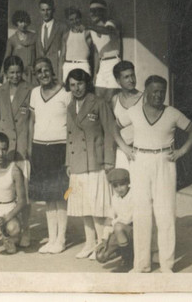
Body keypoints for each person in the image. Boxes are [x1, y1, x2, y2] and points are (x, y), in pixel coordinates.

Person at [117, 75, 192, 274]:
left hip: (164, 162)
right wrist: (124, 148)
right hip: (140, 161)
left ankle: (166, 265)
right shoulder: (134, 111)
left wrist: (181, 151)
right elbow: (113, 127)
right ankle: (141, 265)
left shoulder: (172, 113)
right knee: (141, 214)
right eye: (154, 91)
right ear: (146, 92)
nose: (158, 95)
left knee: (166, 214)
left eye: (162, 91)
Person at [65, 66, 116, 259]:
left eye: (80, 84)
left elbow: (110, 132)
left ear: (87, 83)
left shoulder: (99, 103)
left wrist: (109, 160)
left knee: (97, 205)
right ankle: (89, 243)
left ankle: (102, 245)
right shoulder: (70, 107)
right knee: (83, 205)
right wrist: (68, 162)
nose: (76, 88)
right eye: (72, 85)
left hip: (96, 161)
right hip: (77, 163)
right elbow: (69, 136)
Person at [28, 57, 70, 253]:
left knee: (60, 195)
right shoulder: (34, 93)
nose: (43, 74)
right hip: (39, 148)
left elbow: (71, 123)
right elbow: (32, 122)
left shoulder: (65, 93)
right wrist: (30, 146)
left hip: (59, 147)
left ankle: (61, 239)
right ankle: (52, 238)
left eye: (46, 70)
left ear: (52, 71)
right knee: (47, 196)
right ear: (35, 75)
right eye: (39, 71)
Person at [0, 55, 33, 248]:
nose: (15, 76)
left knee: (24, 190)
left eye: (18, 72)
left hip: (21, 144)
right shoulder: (0, 90)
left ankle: (26, 230)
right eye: (11, 73)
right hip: (4, 145)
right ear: (6, 73)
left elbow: (31, 121)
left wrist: (29, 146)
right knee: (5, 188)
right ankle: (6, 229)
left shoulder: (30, 89)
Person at [96, 168, 133, 269]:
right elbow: (109, 218)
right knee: (101, 256)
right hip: (119, 231)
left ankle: (127, 260)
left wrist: (112, 222)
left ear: (128, 182)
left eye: (122, 184)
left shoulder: (133, 195)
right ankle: (122, 250)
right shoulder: (115, 197)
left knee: (118, 227)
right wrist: (104, 239)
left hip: (133, 230)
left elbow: (128, 219)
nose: (119, 189)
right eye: (115, 186)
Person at [87, 0, 121, 100]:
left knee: (111, 98)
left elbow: (108, 31)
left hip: (114, 62)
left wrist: (89, 26)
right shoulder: (92, 30)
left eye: (96, 10)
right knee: (98, 98)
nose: (93, 13)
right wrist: (95, 74)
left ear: (103, 11)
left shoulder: (111, 23)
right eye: (91, 11)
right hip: (102, 65)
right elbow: (96, 53)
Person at [111, 61, 142, 171]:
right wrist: (124, 148)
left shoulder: (144, 99)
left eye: (132, 75)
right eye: (126, 77)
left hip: (140, 151)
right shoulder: (115, 99)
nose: (131, 80)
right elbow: (113, 128)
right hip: (122, 151)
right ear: (118, 81)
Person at [60, 7, 92, 83]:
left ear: (80, 18)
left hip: (83, 64)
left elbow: (94, 53)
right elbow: (62, 56)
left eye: (76, 18)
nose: (74, 21)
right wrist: (60, 76)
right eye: (71, 20)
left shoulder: (87, 33)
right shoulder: (66, 35)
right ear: (68, 21)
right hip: (68, 65)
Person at [35, 0, 64, 78]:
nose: (45, 13)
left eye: (48, 10)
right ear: (39, 11)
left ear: (53, 10)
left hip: (56, 70)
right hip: (42, 71)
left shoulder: (62, 27)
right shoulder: (38, 28)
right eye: (43, 10)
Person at [3, 10, 37, 78]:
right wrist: (4, 74)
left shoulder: (34, 37)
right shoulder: (12, 40)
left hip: (32, 73)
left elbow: (38, 55)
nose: (23, 24)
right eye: (21, 22)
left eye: (25, 22)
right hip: (18, 74)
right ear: (16, 22)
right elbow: (7, 58)